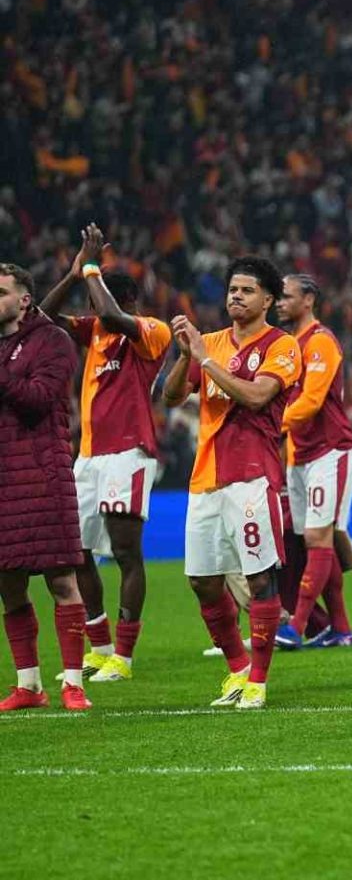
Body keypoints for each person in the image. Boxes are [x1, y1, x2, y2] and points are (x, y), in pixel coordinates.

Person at [163, 256, 301, 710]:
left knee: (260, 578)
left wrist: (205, 359)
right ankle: (238, 670)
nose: (236, 296)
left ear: (268, 299)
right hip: (205, 478)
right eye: (232, 290)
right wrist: (188, 356)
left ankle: (259, 680)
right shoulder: (210, 343)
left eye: (247, 290)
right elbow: (171, 396)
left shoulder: (282, 345)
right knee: (202, 581)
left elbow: (258, 396)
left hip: (252, 478)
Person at [37, 224, 170, 683]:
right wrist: (75, 274)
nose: (92, 311)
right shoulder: (94, 330)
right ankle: (100, 648)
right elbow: (40, 318)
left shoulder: (150, 331)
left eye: (97, 301)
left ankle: (124, 658)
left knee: (126, 551)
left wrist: (93, 268)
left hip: (128, 454)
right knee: (76, 552)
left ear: (124, 300)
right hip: (89, 457)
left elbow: (112, 315)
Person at [0, 263, 92, 713]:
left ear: (23, 300)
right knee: (9, 584)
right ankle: (29, 685)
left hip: (43, 476)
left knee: (61, 579)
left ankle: (73, 683)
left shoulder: (53, 341)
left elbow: (37, 400)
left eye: (0, 292)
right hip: (4, 481)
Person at [273, 274, 352, 651]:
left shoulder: (320, 341)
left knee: (316, 538)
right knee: (315, 543)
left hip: (329, 450)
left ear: (308, 300)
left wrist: (269, 424)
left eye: (285, 296)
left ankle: (296, 626)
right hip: (301, 454)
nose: (279, 302)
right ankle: (340, 628)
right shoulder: (288, 345)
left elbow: (310, 401)